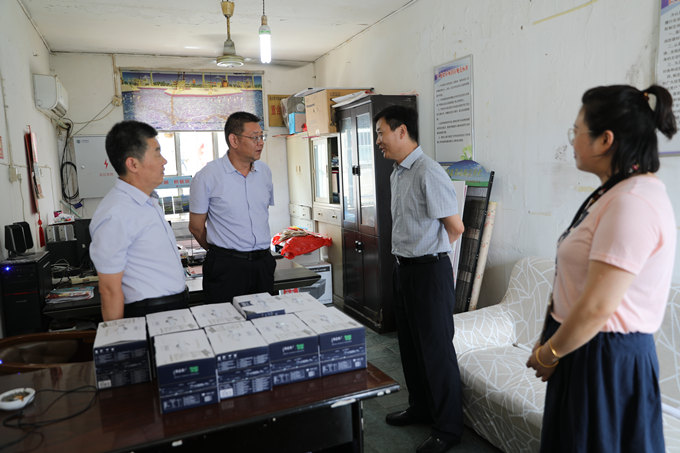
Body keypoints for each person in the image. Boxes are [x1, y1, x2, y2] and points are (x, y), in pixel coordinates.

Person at [526, 85, 677, 452]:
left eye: (576, 131)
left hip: (603, 359)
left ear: (605, 140)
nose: (572, 142)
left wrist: (549, 353)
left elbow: (597, 307)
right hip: (584, 347)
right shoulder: (615, 193)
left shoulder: (632, 202)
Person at [375, 105, 466, 453]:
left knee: (436, 351)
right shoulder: (397, 172)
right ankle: (420, 408)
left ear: (402, 131)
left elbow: (455, 228)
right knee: (410, 346)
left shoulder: (429, 171)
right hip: (404, 269)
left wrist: (433, 257)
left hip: (429, 272)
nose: (379, 140)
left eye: (381, 132)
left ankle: (448, 428)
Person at [89, 121, 188, 320]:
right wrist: (118, 336)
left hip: (173, 308)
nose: (164, 161)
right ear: (133, 164)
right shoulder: (115, 213)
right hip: (148, 314)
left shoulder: (148, 200)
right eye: (157, 153)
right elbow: (109, 290)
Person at [189, 112, 275, 303]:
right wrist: (222, 252)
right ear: (234, 140)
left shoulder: (264, 172)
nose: (261, 142)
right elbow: (196, 227)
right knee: (225, 319)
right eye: (255, 137)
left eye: (262, 136)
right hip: (227, 268)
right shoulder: (207, 176)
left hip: (263, 264)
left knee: (267, 317)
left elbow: (261, 214)